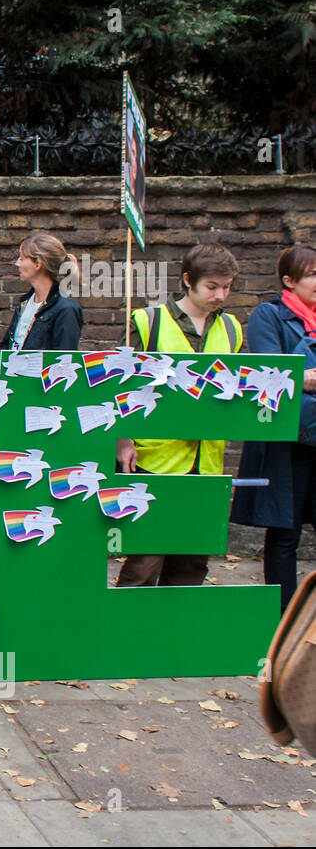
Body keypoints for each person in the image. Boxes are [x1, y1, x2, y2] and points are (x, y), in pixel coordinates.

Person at [117, 243, 243, 589]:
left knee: (192, 561)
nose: (221, 294)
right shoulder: (148, 321)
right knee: (145, 559)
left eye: (227, 286)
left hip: (207, 461)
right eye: (212, 286)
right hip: (156, 457)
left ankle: (175, 636)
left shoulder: (232, 328)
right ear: (189, 280)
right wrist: (123, 438)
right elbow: (119, 382)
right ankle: (124, 633)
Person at [231, 244, 316, 610]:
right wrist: (304, 377)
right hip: (287, 442)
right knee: (285, 533)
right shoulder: (269, 315)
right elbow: (274, 374)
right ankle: (283, 617)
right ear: (289, 280)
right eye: (313, 274)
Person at [0, 233, 83, 352]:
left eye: (22, 258)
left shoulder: (66, 309)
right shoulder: (25, 302)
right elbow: (6, 347)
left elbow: (64, 361)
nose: (17, 263)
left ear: (37, 264)